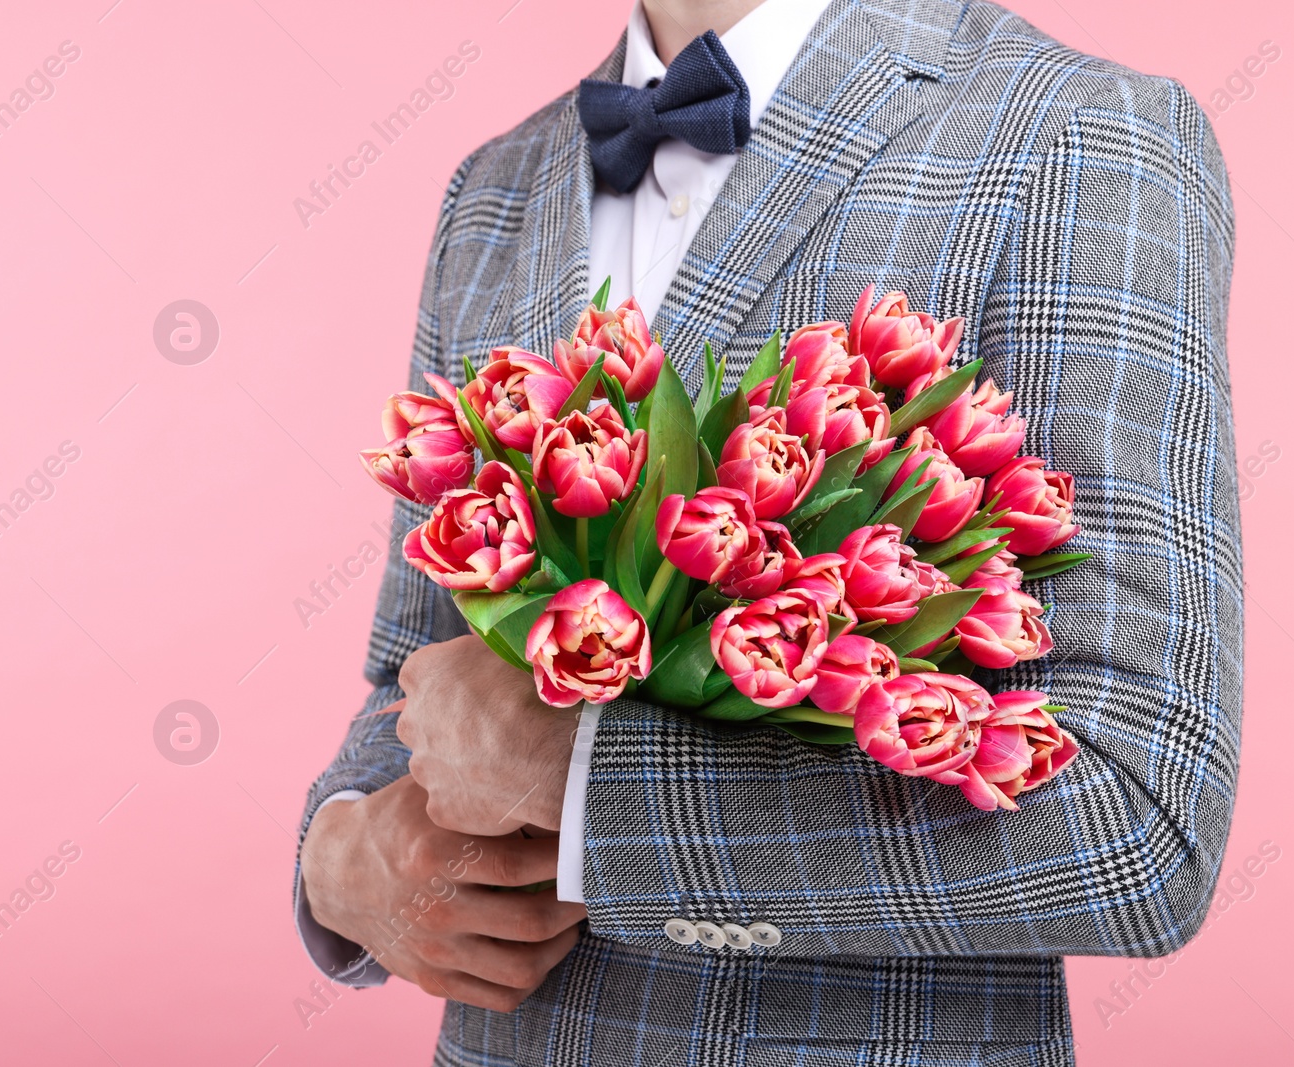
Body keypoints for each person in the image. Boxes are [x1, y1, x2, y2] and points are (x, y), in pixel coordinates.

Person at [295, 0, 1242, 1063]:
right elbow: (413, 672)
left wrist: (581, 787)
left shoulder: (1079, 134)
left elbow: (1140, 825)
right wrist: (339, 857)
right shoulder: (495, 186)